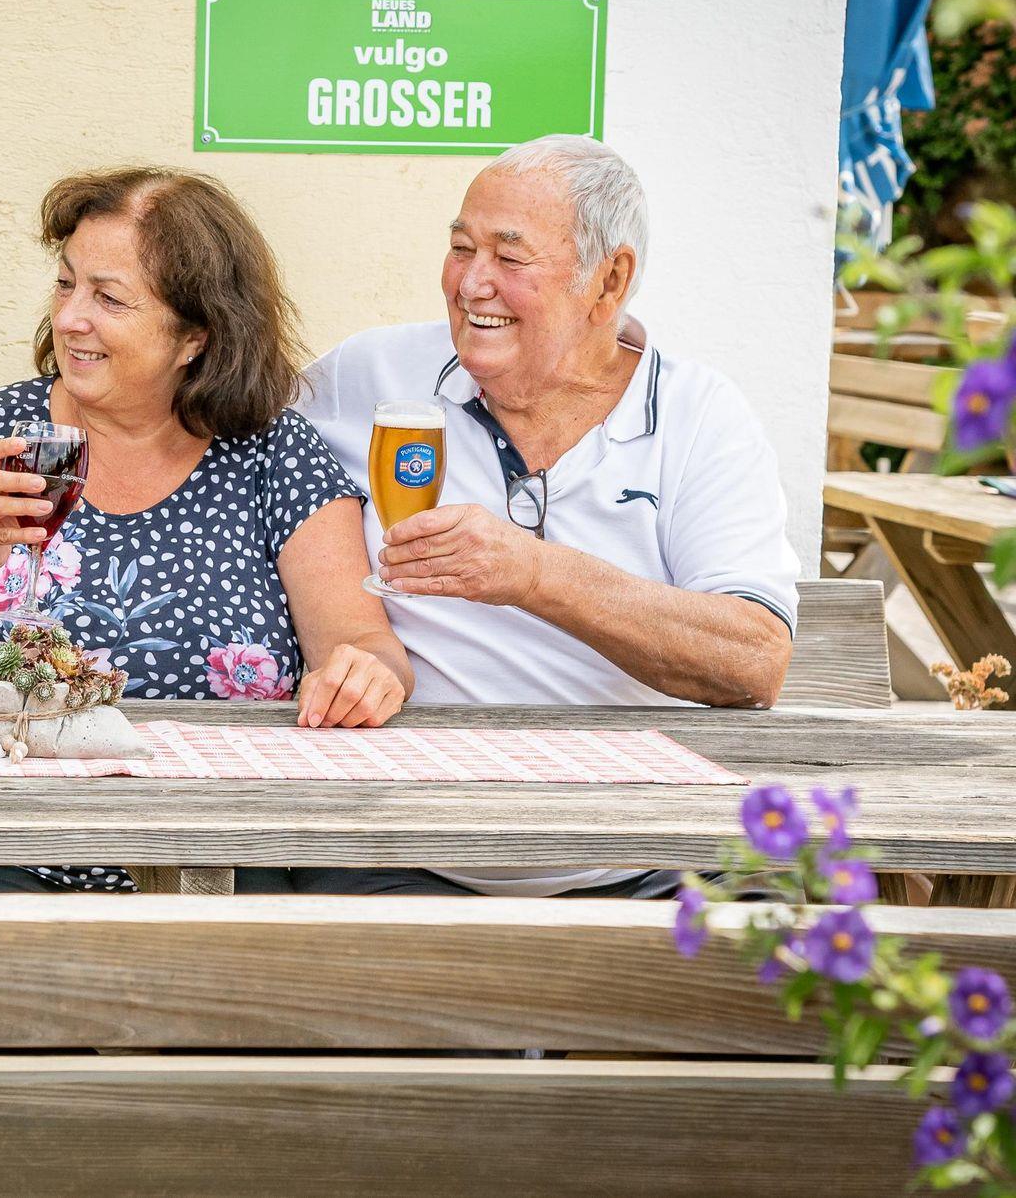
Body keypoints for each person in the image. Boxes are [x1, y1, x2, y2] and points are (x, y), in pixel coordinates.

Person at [0, 165, 411, 894]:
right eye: (66, 284)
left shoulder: (274, 453)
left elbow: (365, 644)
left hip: (219, 852)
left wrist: (365, 676)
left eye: (108, 298)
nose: (70, 318)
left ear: (195, 337)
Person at [299, 133, 799, 899]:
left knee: (798, 944)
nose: (472, 283)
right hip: (402, 856)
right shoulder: (370, 374)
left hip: (651, 865)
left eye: (509, 256)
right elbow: (213, 432)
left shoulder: (699, 416)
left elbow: (753, 660)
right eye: (461, 248)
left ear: (609, 280)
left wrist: (534, 573)